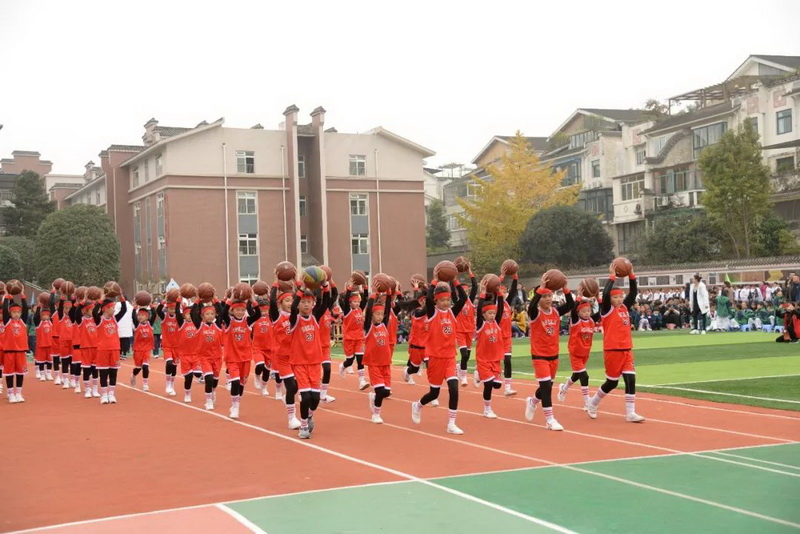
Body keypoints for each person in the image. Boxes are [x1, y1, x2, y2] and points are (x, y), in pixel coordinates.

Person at [586, 266, 644, 423]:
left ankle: (630, 413)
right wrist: (612, 277)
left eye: (620, 297)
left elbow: (633, 293)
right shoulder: (606, 310)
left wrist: (631, 275)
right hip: (612, 350)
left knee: (630, 379)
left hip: (627, 350)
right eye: (616, 297)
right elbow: (605, 294)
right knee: (612, 382)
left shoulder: (624, 307)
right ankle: (593, 402)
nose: (619, 299)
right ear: (610, 299)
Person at [411, 279, 468, 435]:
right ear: (436, 300)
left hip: (450, 358)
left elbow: (463, 298)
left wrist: (455, 280)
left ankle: (451, 424)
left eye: (448, 300)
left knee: (454, 389)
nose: (446, 303)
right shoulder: (432, 312)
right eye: (442, 300)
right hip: (435, 358)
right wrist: (434, 281)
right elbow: (429, 299)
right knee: (434, 393)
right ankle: (418, 405)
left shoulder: (452, 312)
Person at [524, 278, 574, 431]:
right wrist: (541, 288)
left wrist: (565, 288)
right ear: (539, 298)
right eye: (544, 296)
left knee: (547, 386)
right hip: (539, 356)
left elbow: (571, 304)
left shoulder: (556, 312)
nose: (547, 299)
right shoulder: (535, 313)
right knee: (546, 387)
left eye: (549, 296)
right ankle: (550, 420)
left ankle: (532, 401)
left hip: (554, 355)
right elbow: (532, 305)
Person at [288, 283, 331, 438]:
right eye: (303, 302)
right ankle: (304, 426)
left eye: (309, 302)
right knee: (305, 397)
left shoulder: (315, 318)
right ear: (298, 304)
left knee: (315, 399)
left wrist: (325, 286)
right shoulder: (295, 319)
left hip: (314, 363)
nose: (306, 304)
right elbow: (293, 308)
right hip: (300, 363)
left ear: (313, 303)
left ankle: (309, 414)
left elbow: (325, 303)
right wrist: (300, 290)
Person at [220, 298, 261, 419]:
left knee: (242, 384)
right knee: (235, 382)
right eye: (237, 310)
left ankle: (236, 402)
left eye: (242, 310)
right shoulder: (229, 322)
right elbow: (223, 313)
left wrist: (252, 300)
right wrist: (230, 299)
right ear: (232, 310)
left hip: (245, 358)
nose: (240, 312)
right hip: (232, 358)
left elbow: (258, 314)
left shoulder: (247, 321)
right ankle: (235, 407)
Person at [558, 295, 599, 410]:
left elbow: (601, 312)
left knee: (577, 375)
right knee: (584, 376)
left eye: (588, 311)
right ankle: (587, 402)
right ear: (578, 312)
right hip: (575, 353)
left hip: (585, 353)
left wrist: (598, 297)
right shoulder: (576, 320)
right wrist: (579, 297)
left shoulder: (591, 320)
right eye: (584, 311)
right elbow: (573, 310)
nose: (587, 313)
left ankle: (564, 388)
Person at [270, 282, 301, 428]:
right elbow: (271, 302)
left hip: (296, 357)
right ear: (280, 303)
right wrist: (276, 282)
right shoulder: (277, 317)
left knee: (296, 387)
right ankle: (291, 418)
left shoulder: (297, 316)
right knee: (291, 386)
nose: (290, 303)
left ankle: (286, 397)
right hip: (282, 358)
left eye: (291, 300)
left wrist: (299, 285)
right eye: (287, 300)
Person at [472, 283, 505, 419]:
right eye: (490, 313)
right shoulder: (481, 325)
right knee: (489, 384)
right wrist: (483, 293)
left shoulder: (496, 323)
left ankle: (478, 375)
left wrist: (499, 293)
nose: (492, 315)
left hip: (495, 360)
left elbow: (500, 307)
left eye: (494, 313)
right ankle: (487, 409)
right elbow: (480, 307)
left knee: (497, 385)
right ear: (483, 314)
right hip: (483, 360)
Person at [363, 292, 393, 424]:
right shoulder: (369, 327)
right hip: (374, 364)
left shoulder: (384, 325)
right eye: (377, 314)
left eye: (381, 314)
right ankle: (376, 414)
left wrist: (389, 294)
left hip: (385, 363)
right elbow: (368, 311)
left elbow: (388, 308)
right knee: (381, 391)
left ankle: (373, 396)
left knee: (386, 392)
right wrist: (373, 295)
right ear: (372, 315)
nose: (380, 316)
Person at [338, 283, 369, 390]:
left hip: (359, 338)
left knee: (360, 359)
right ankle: (343, 366)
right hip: (349, 339)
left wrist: (365, 287)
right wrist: (349, 288)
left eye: (358, 302)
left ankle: (362, 381)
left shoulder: (360, 309)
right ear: (350, 302)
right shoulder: (347, 311)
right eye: (355, 302)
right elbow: (346, 299)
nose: (357, 303)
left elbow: (365, 299)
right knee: (350, 361)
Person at [3, 294, 30, 403]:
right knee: (9, 373)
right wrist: (6, 296)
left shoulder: (22, 321)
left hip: (21, 352)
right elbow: (4, 309)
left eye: (18, 312)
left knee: (20, 373)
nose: (16, 314)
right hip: (9, 352)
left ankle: (18, 393)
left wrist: (22, 295)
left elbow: (26, 309)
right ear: (10, 313)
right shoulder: (7, 322)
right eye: (14, 312)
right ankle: (11, 393)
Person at [175, 300, 202, 403]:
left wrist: (199, 300)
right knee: (188, 377)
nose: (189, 316)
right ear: (184, 316)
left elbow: (199, 310)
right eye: (187, 314)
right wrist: (178, 301)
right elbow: (177, 313)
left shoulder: (197, 324)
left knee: (198, 374)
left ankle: (202, 376)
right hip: (185, 355)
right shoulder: (182, 324)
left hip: (196, 354)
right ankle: (187, 394)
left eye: (191, 314)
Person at [74, 299, 100, 399]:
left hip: (95, 347)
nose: (93, 311)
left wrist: (100, 301)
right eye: (91, 309)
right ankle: (87, 389)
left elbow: (98, 311)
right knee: (86, 369)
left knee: (95, 369)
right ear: (85, 310)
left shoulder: (96, 319)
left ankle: (95, 389)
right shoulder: (81, 320)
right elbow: (76, 313)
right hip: (85, 348)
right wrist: (82, 302)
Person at [455, 268, 477, 387]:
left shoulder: (470, 300)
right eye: (462, 290)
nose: (465, 292)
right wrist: (454, 277)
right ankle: (464, 376)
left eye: (466, 290)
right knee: (464, 354)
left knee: (467, 356)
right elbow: (453, 289)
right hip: (460, 331)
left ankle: (459, 367)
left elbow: (475, 287)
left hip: (470, 331)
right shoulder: (457, 301)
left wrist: (470, 272)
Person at [498, 274, 519, 396]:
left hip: (507, 338)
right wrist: (501, 276)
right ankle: (479, 371)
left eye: (505, 291)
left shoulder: (507, 303)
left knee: (508, 360)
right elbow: (493, 287)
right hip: (496, 337)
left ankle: (508, 387)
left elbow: (514, 290)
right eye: (501, 291)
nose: (503, 293)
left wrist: (515, 277)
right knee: (493, 361)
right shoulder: (495, 303)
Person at [318, 283, 339, 403]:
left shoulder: (328, 308)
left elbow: (334, 294)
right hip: (314, 346)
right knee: (313, 374)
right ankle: (303, 391)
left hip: (325, 346)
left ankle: (323, 395)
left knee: (327, 369)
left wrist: (330, 281)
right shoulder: (317, 310)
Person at [156, 299, 179, 396]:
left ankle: (172, 384)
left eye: (174, 308)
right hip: (167, 345)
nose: (172, 310)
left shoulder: (179, 318)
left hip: (177, 346)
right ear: (167, 308)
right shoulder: (165, 317)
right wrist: (163, 301)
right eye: (170, 308)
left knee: (174, 366)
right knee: (169, 363)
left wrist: (179, 300)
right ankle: (168, 384)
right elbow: (158, 311)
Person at [130, 306, 156, 391]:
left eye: (142, 315)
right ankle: (133, 375)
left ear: (147, 316)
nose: (140, 317)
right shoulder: (137, 324)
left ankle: (145, 384)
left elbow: (154, 314)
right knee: (138, 368)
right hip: (138, 350)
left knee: (145, 366)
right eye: (139, 315)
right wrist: (134, 308)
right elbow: (133, 317)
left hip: (147, 349)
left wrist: (151, 306)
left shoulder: (149, 324)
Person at [33, 293, 56, 381]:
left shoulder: (51, 322)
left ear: (49, 316)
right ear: (41, 316)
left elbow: (53, 311)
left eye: (47, 315)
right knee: (41, 361)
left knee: (49, 360)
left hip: (50, 345)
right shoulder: (39, 323)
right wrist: (39, 306)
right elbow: (36, 317)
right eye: (43, 315)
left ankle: (49, 374)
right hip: (41, 345)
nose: (45, 316)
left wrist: (51, 298)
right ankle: (42, 374)